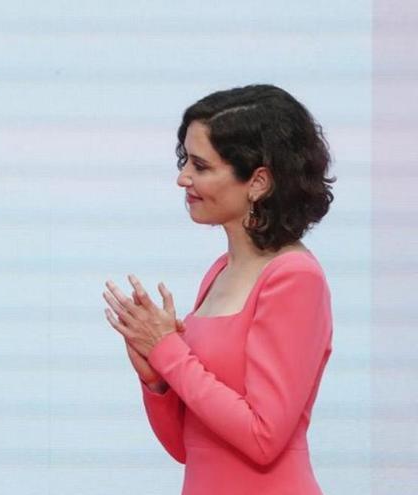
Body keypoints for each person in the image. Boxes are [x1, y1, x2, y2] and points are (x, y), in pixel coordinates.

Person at [102, 85, 334, 494]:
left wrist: (168, 351)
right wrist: (156, 380)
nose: (183, 178)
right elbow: (187, 447)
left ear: (258, 182)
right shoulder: (218, 272)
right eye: (184, 161)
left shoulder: (295, 277)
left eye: (200, 166)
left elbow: (263, 438)